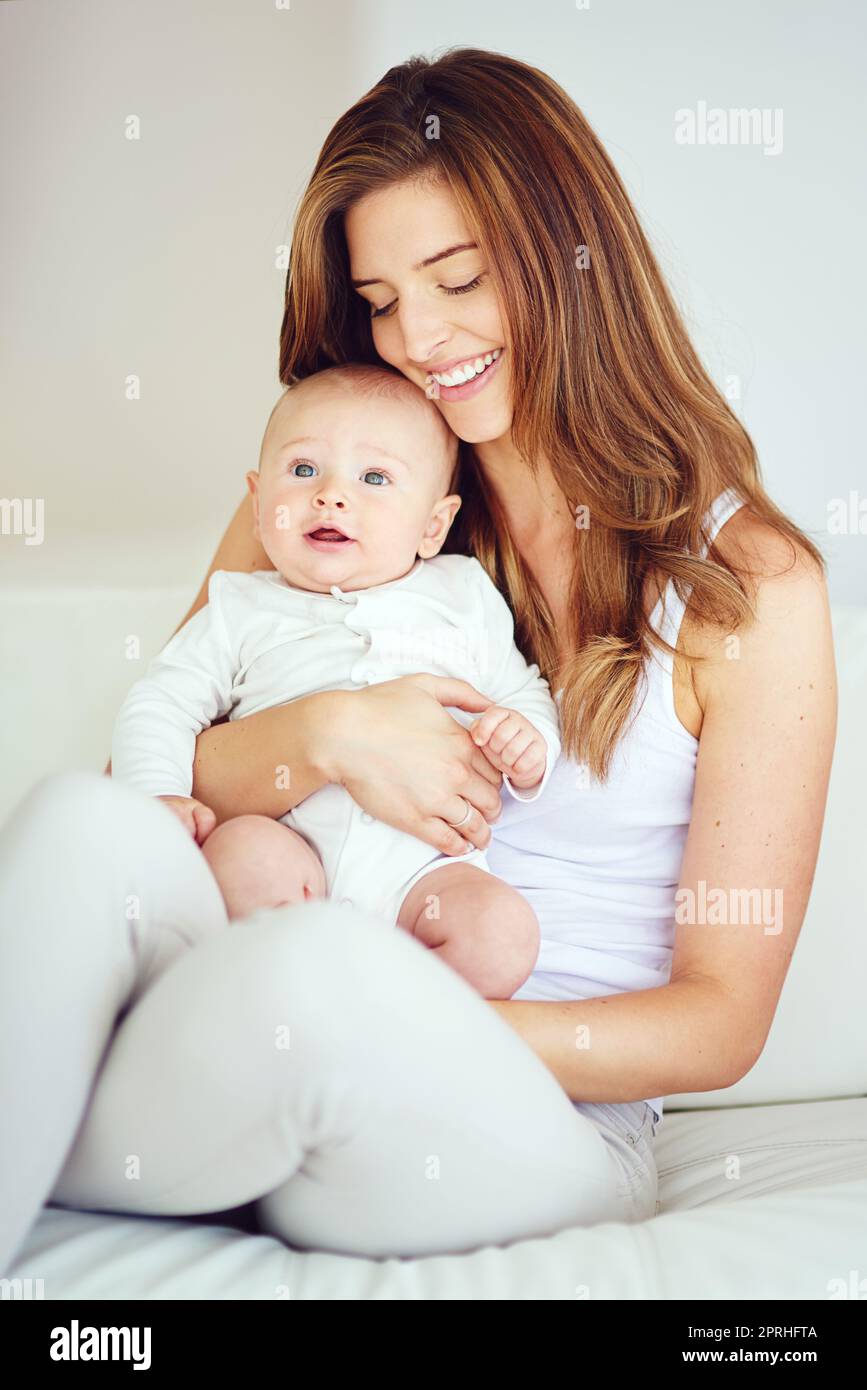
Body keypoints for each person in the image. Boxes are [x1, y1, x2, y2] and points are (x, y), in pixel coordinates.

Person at [0, 47, 836, 1273]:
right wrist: (329, 735)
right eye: (383, 299)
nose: (420, 339)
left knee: (320, 973)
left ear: (568, 254)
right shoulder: (345, 485)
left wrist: (418, 1017)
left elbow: (720, 1025)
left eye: (457, 279)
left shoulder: (753, 589)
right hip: (276, 1031)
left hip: (529, 1117)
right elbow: (168, 767)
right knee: (78, 820)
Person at [110, 363, 560, 999]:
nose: (331, 496)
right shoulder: (240, 607)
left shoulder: (462, 595)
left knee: (502, 931)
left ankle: (392, 1026)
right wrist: (157, 794)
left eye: (374, 478)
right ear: (260, 500)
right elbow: (161, 701)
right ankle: (283, 1015)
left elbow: (520, 692)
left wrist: (528, 741)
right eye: (302, 471)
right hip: (292, 846)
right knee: (242, 860)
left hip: (420, 875)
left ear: (434, 526)